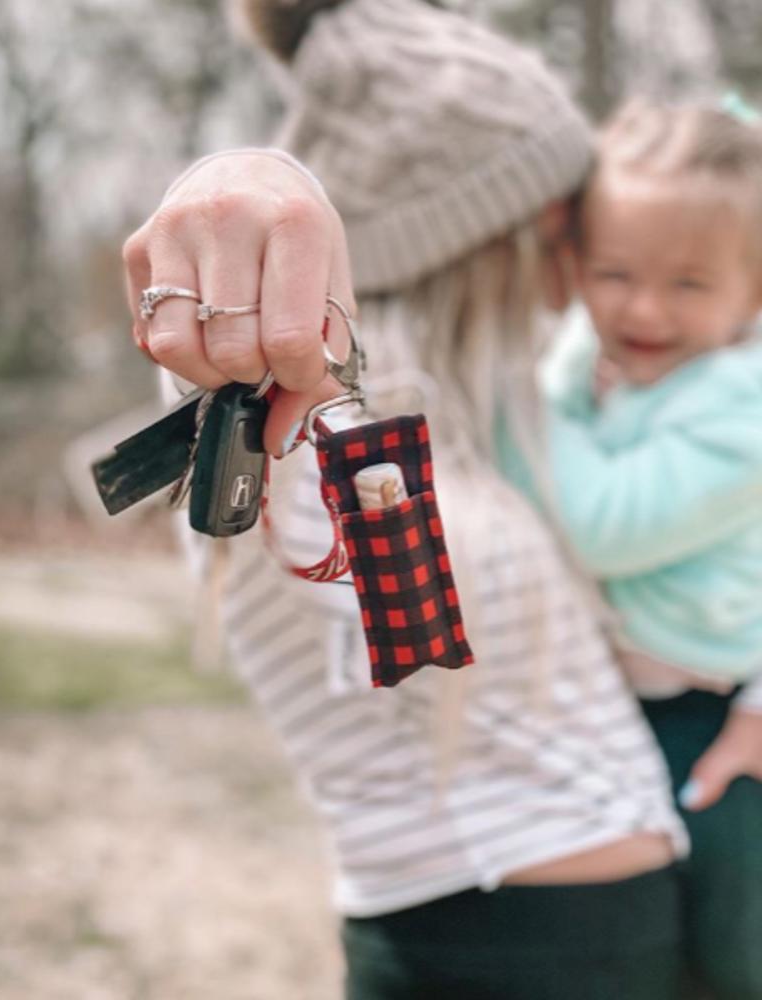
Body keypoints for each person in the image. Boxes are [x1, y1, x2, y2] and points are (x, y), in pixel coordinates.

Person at [123, 2, 689, 997]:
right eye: (555, 225)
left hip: (577, 937)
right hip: (504, 944)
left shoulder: (465, 427)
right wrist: (249, 181)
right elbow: (229, 378)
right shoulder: (315, 415)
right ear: (474, 236)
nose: (572, 272)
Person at [499, 97, 762, 997]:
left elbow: (598, 524)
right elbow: (564, 378)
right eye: (615, 273)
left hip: (716, 718)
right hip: (612, 702)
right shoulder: (599, 361)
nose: (645, 308)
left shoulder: (743, 407)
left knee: (734, 954)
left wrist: (503, 399)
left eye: (690, 284)